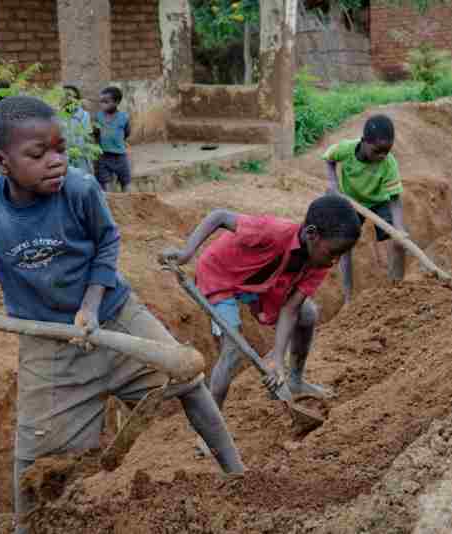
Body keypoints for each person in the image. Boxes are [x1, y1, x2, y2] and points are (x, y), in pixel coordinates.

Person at [0, 96, 244, 534]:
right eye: (38, 154)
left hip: (116, 316)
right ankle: (24, 527)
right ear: (2, 163)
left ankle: (238, 478)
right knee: (34, 457)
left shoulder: (80, 189)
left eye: (61, 149)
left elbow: (107, 243)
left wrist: (90, 305)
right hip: (49, 344)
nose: (55, 162)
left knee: (188, 382)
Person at [160, 196, 361, 416]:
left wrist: (278, 361)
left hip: (260, 283)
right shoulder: (273, 231)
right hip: (220, 275)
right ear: (312, 234)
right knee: (233, 350)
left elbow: (291, 309)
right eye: (333, 252)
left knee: (308, 314)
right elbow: (219, 216)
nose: (335, 261)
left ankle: (295, 380)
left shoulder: (319, 262)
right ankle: (212, 423)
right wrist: (186, 253)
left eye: (340, 255)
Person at [323, 114, 406, 305]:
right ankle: (348, 298)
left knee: (399, 242)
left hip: (380, 202)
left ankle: (398, 290)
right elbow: (328, 158)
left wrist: (399, 228)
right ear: (364, 142)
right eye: (378, 151)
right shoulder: (346, 149)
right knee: (344, 246)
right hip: (351, 202)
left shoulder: (389, 163)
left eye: (387, 151)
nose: (382, 156)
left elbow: (395, 199)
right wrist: (333, 182)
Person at [94, 86, 132, 192]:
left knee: (126, 182)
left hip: (120, 156)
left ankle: (128, 204)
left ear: (116, 102)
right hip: (104, 156)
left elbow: (127, 132)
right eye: (101, 102)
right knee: (106, 185)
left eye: (106, 102)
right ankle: (108, 206)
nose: (102, 104)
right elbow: (96, 133)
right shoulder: (99, 117)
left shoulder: (124, 117)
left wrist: (118, 141)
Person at [61, 84, 94, 174]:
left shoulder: (85, 115)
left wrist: (90, 161)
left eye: (69, 96)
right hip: (65, 156)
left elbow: (88, 138)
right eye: (64, 96)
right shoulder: (58, 116)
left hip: (81, 157)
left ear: (77, 98)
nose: (66, 99)